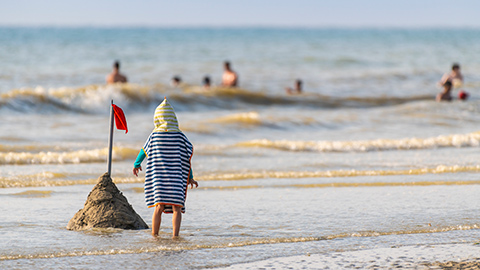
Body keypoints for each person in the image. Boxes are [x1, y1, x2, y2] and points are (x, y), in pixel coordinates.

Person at [132, 98, 198, 237]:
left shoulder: (154, 135)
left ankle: (154, 235)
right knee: (176, 207)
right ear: (173, 118)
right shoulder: (180, 136)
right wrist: (190, 177)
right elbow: (186, 158)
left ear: (157, 118)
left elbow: (144, 150)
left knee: (159, 206)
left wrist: (137, 164)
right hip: (176, 178)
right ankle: (175, 235)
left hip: (159, 178)